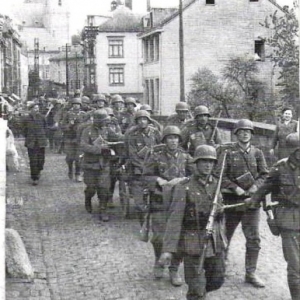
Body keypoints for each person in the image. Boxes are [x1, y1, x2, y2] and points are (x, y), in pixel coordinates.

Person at [159, 145, 227, 300]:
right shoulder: (185, 187)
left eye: (211, 162)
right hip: (192, 242)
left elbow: (220, 215)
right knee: (196, 287)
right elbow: (175, 219)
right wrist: (168, 249)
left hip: (214, 241)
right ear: (196, 163)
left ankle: (201, 292)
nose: (208, 165)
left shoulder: (216, 184)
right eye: (203, 161)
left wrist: (220, 211)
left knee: (217, 280)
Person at [246, 132, 300, 300]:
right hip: (288, 219)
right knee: (295, 266)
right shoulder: (280, 168)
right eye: (297, 150)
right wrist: (253, 200)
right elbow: (264, 188)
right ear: (291, 151)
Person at [220, 119, 269, 288]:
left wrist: (255, 187)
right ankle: (220, 268)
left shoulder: (257, 153)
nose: (244, 133)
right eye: (241, 131)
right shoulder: (228, 153)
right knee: (224, 236)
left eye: (248, 131)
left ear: (251, 134)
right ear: (236, 134)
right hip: (232, 202)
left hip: (252, 203)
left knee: (254, 239)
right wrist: (235, 188)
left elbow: (265, 175)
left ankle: (251, 272)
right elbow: (221, 176)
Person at [142, 126, 193, 285]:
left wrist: (183, 180)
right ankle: (159, 261)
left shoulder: (186, 157)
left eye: (176, 138)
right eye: (170, 138)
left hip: (180, 202)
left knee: (179, 237)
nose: (173, 141)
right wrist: (158, 180)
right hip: (160, 201)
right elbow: (146, 176)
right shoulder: (156, 156)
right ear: (164, 140)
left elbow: (195, 175)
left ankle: (174, 269)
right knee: (158, 237)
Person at [80, 109, 124, 221]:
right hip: (90, 165)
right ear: (96, 120)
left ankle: (103, 209)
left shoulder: (107, 130)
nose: (105, 123)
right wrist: (100, 150)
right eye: (103, 121)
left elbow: (118, 137)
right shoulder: (87, 131)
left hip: (104, 164)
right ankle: (88, 198)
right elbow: (83, 146)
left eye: (106, 121)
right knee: (91, 188)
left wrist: (129, 136)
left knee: (104, 188)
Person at [126, 110, 161, 223]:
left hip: (155, 167)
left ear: (148, 120)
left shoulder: (155, 133)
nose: (142, 122)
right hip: (138, 169)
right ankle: (143, 216)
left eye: (144, 119)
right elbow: (133, 155)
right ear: (136, 121)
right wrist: (144, 168)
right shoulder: (132, 135)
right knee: (139, 202)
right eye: (139, 119)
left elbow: (161, 148)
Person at [61, 97, 87, 182]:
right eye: (75, 104)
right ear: (72, 105)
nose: (76, 106)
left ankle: (78, 173)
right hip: (69, 138)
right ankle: (70, 170)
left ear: (80, 105)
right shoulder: (68, 114)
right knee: (69, 157)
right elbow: (63, 126)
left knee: (79, 157)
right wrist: (69, 125)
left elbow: (87, 126)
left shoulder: (83, 114)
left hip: (79, 139)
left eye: (78, 104)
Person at [22, 103, 48, 185]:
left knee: (41, 160)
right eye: (35, 108)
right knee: (33, 160)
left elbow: (45, 127)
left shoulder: (42, 117)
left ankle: (39, 170)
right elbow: (24, 130)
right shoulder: (26, 119)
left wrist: (43, 135)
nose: (37, 109)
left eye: (37, 108)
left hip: (41, 142)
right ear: (31, 109)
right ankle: (34, 177)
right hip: (31, 142)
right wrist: (29, 137)